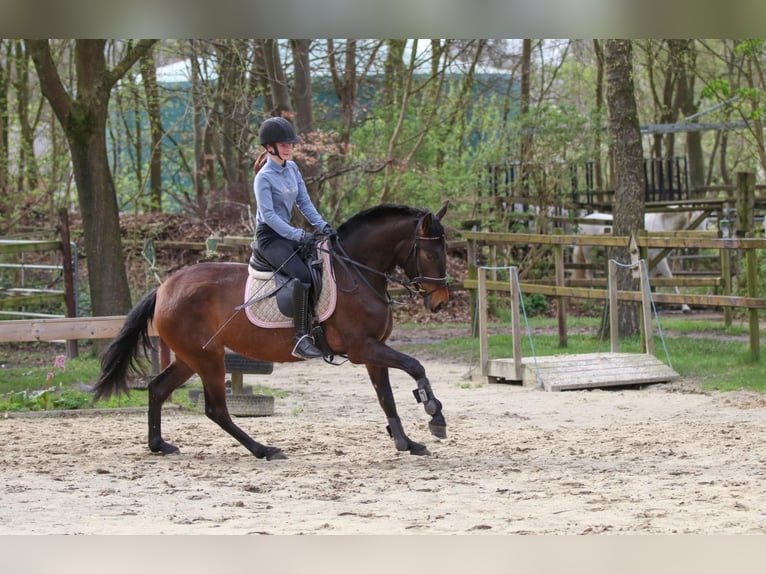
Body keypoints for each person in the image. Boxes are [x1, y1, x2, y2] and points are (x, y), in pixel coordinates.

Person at [253, 117, 335, 360]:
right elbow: (268, 216)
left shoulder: (293, 168)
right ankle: (300, 337)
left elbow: (304, 202)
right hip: (270, 237)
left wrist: (324, 226)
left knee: (318, 267)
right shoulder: (263, 177)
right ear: (270, 147)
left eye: (290, 144)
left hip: (286, 232)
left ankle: (317, 327)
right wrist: (299, 235)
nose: (289, 147)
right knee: (302, 275)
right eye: (283, 144)